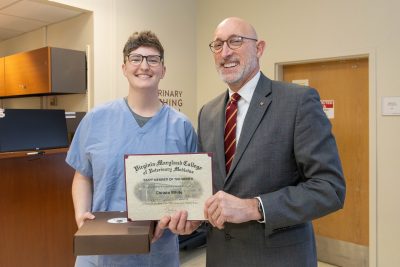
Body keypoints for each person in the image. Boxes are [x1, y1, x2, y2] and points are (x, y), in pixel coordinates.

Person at [166, 17, 346, 267]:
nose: (225, 52)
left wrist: (255, 207)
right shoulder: (207, 112)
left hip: (278, 258)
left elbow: (330, 188)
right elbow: (209, 188)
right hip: (220, 257)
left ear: (259, 48)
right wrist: (196, 217)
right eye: (217, 45)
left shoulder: (297, 102)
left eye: (235, 41)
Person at [66, 31, 197, 267]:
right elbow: (82, 175)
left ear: (163, 70)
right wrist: (80, 213)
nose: (144, 66)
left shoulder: (182, 126)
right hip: (100, 252)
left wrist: (183, 218)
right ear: (124, 67)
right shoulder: (96, 119)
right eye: (135, 58)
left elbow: (191, 191)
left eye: (153, 59)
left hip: (158, 252)